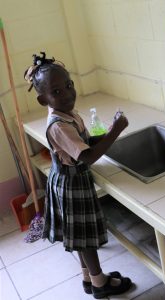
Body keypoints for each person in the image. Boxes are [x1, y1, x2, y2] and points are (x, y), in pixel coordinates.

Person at [24, 52, 132, 299]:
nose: (68, 93)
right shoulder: (59, 125)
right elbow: (88, 157)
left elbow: (83, 143)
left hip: (70, 181)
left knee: (79, 235)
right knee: (85, 240)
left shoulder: (67, 114)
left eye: (69, 85)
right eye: (57, 91)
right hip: (72, 184)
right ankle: (100, 285)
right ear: (44, 100)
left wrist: (107, 134)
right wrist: (115, 130)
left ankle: (89, 277)